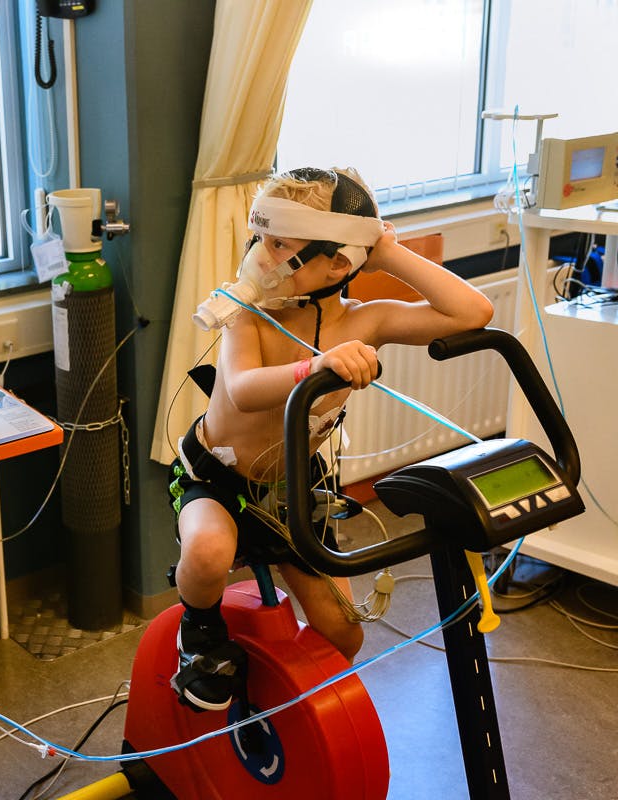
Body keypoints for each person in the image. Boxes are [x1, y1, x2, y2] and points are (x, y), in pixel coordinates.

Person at [167, 167, 495, 712]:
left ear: (339, 263)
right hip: (217, 476)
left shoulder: (365, 322)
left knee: (345, 633)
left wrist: (386, 252)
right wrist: (314, 368)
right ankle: (197, 632)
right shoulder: (245, 317)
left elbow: (472, 312)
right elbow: (245, 390)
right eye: (259, 239)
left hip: (294, 488)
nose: (259, 257)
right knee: (207, 551)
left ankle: (286, 712)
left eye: (280, 245)